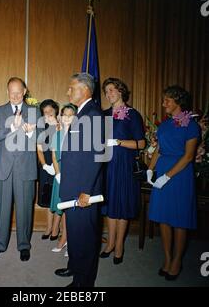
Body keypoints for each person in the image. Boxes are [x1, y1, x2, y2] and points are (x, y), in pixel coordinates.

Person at [54, 73, 104, 287]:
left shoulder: (92, 115)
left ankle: (83, 283)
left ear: (84, 89)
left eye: (71, 87)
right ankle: (75, 267)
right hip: (73, 186)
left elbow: (95, 157)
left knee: (84, 237)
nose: (68, 92)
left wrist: (86, 191)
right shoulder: (83, 113)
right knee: (74, 233)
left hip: (83, 191)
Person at [147, 85, 200, 280]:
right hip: (162, 171)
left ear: (178, 102)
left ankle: (177, 260)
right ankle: (167, 258)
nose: (163, 104)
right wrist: (150, 170)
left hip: (180, 175)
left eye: (167, 100)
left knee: (179, 219)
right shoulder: (165, 125)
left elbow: (188, 157)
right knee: (163, 217)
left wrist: (167, 176)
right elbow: (159, 150)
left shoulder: (191, 125)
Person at [0, 77, 40, 262]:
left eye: (19, 92)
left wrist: (31, 131)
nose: (15, 96)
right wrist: (11, 127)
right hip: (4, 168)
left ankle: (24, 245)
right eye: (12, 92)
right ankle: (0, 244)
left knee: (25, 209)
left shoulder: (34, 110)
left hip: (25, 168)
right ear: (7, 92)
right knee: (2, 209)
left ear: (24, 91)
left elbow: (42, 138)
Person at [100, 77, 145, 263]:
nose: (109, 94)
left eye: (112, 90)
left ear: (120, 91)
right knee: (110, 206)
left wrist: (118, 142)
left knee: (122, 205)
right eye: (106, 91)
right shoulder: (103, 114)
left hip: (124, 166)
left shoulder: (132, 114)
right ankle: (110, 243)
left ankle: (119, 246)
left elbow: (141, 143)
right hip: (107, 165)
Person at [50, 104, 78, 255]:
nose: (67, 118)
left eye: (71, 115)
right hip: (59, 176)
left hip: (73, 177)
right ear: (60, 117)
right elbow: (54, 156)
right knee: (63, 209)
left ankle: (68, 241)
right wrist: (58, 174)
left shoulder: (78, 135)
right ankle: (65, 239)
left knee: (70, 211)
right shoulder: (57, 134)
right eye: (65, 115)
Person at [37, 99, 60, 240]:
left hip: (59, 166)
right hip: (46, 167)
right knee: (47, 198)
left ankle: (56, 228)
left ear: (56, 110)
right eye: (45, 112)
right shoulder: (42, 127)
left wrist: (56, 167)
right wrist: (45, 165)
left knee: (57, 197)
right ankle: (48, 227)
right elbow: (39, 149)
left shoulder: (62, 125)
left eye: (50, 111)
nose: (48, 114)